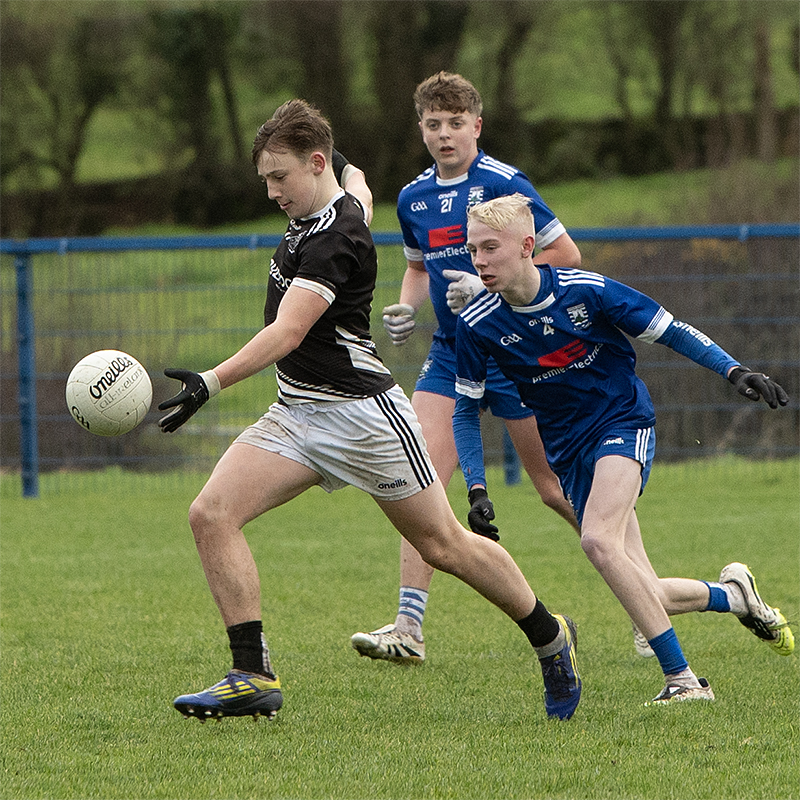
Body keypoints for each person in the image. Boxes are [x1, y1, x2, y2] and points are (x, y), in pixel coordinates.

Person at [157, 100, 582, 722]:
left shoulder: (336, 238)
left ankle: (549, 634)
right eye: (266, 179)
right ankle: (252, 674)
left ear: (315, 163)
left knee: (443, 545)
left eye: (279, 177)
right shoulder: (341, 199)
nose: (272, 192)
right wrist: (336, 157)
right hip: (297, 413)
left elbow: (289, 332)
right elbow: (359, 184)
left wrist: (209, 382)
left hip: (365, 419)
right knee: (211, 514)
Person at [451, 192, 793, 704]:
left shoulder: (587, 292)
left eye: (489, 248)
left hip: (622, 421)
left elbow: (672, 331)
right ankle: (734, 596)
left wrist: (734, 370)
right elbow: (465, 410)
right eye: (472, 250)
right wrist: (477, 488)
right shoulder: (477, 322)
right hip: (567, 450)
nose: (478, 261)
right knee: (645, 590)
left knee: (597, 541)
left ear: (526, 246)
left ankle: (683, 682)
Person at [351, 72, 583, 665]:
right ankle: (408, 627)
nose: (445, 134)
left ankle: (644, 592)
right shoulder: (413, 198)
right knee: (416, 477)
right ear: (421, 129)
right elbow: (419, 268)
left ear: (477, 126)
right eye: (434, 124)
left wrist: (488, 288)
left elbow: (564, 255)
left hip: (513, 351)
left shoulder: (505, 184)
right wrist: (407, 307)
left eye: (456, 123)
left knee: (553, 488)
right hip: (451, 353)